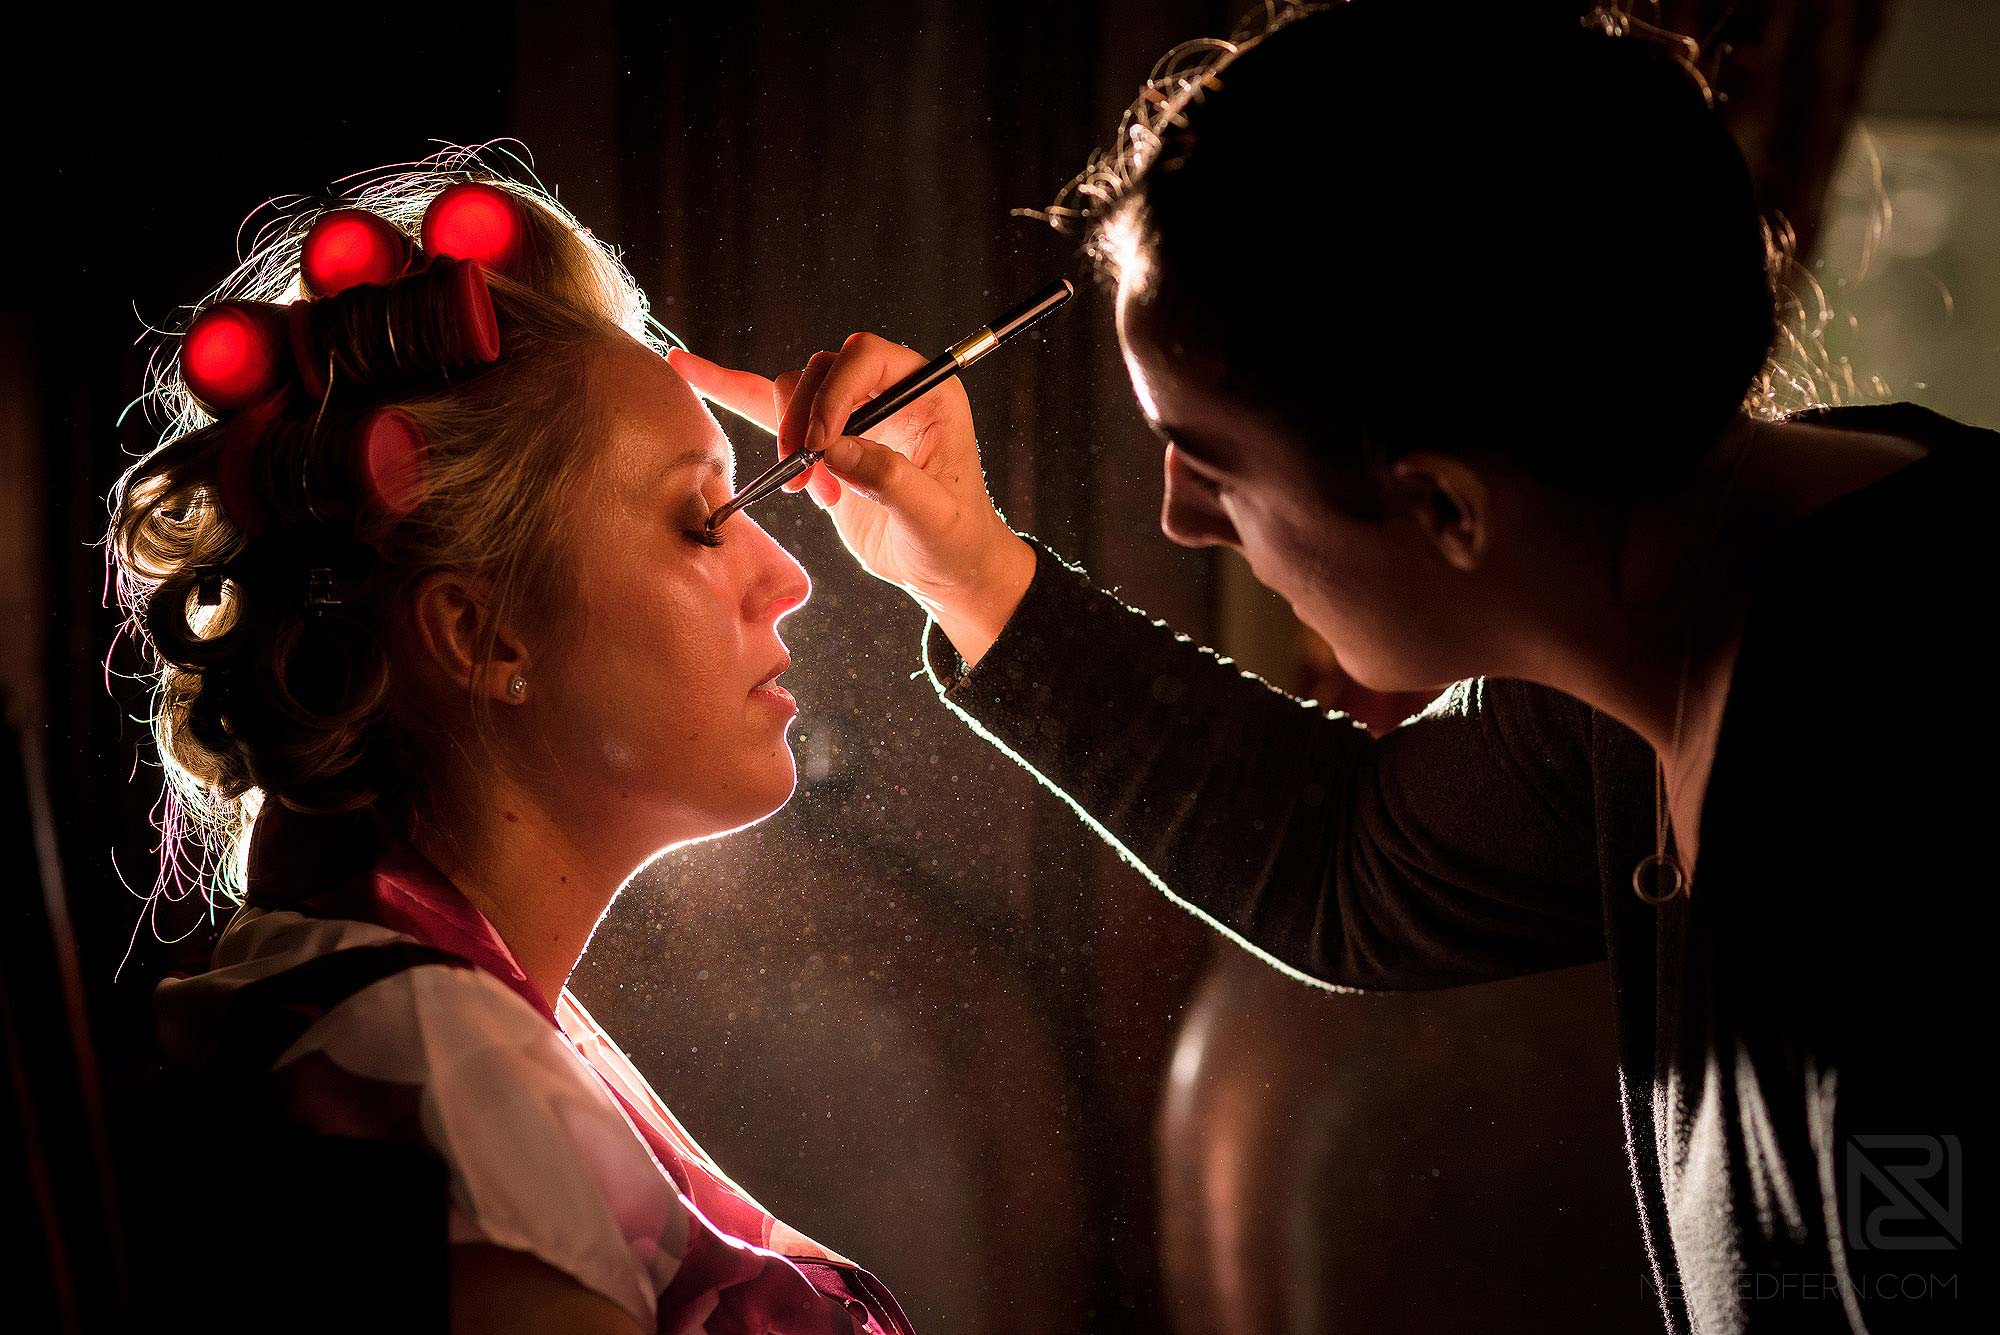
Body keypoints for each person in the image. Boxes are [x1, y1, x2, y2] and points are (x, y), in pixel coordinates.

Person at [670, 3, 1983, 1331]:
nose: (1184, 515)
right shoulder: (1666, 605)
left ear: (1449, 510)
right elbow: (1350, 858)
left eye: (1214, 459)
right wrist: (967, 563)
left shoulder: (1881, 801)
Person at [110, 156, 914, 1335]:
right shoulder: (440, 1076)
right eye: (702, 521)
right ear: (478, 631)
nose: (787, 580)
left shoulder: (402, 1012)